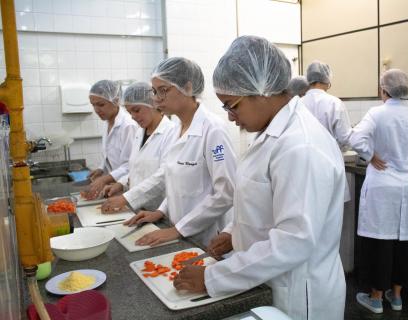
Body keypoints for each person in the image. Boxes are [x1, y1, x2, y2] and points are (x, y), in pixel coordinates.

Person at [173, 36, 346, 320]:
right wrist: (233, 231)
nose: (229, 117)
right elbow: (262, 201)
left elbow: (294, 240)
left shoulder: (300, 146)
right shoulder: (271, 132)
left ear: (262, 91)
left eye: (232, 105)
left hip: (297, 295)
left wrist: (213, 278)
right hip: (266, 281)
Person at [101, 57, 236, 247]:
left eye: (163, 90)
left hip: (207, 237)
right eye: (154, 91)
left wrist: (178, 229)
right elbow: (171, 178)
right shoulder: (176, 129)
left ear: (188, 88)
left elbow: (226, 193)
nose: (156, 98)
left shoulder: (214, 131)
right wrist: (162, 211)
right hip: (179, 232)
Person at [350, 69, 408, 314]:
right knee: (403, 242)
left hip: (382, 186)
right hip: (405, 186)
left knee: (379, 242)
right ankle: (396, 297)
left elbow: (355, 138)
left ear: (383, 90)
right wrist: (404, 167)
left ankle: (375, 299)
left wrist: (371, 156)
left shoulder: (376, 113)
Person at [102, 81, 175, 211]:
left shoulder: (171, 133)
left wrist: (126, 198)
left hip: (160, 211)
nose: (133, 117)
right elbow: (136, 170)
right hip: (140, 210)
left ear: (153, 104)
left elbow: (163, 176)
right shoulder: (139, 133)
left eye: (136, 110)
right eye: (130, 112)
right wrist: (121, 184)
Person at [86, 80, 137, 199]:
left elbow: (130, 165)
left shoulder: (128, 125)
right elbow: (109, 153)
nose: (96, 110)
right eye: (93, 105)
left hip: (127, 187)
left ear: (116, 101)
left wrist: (105, 179)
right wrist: (100, 168)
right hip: (114, 187)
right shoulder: (108, 121)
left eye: (101, 104)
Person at [302, 61, 352, 151]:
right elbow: (345, 139)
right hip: (330, 159)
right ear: (327, 80)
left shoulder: (299, 103)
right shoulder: (335, 103)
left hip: (304, 159)